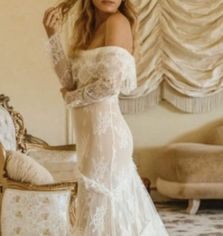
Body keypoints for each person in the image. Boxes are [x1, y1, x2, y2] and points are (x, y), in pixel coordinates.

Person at [43, 0, 169, 235]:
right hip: (90, 138)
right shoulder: (88, 29)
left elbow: (110, 85)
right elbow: (69, 80)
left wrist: (71, 98)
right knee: (96, 211)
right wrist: (53, 37)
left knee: (101, 210)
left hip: (106, 138)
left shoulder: (117, 22)